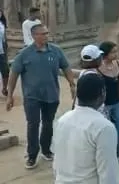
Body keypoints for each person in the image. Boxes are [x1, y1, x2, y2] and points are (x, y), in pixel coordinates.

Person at [5, 24, 75, 169]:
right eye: (42, 33)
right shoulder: (24, 54)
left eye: (46, 33)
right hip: (32, 97)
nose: (46, 36)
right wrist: (9, 95)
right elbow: (14, 75)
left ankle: (46, 149)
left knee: (48, 123)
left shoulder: (56, 51)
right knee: (33, 124)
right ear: (34, 36)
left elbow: (66, 67)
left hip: (52, 95)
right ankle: (32, 155)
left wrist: (72, 84)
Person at [52, 73, 119, 184]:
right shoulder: (104, 127)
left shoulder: (62, 121)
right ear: (103, 94)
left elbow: (57, 163)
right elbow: (108, 173)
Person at [98, 41, 119, 161]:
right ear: (105, 54)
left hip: (118, 103)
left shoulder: (118, 64)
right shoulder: (97, 67)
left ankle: (115, 156)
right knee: (107, 135)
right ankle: (107, 160)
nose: (116, 54)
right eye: (113, 52)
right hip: (103, 106)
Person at [74, 45, 108, 118]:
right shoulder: (94, 78)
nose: (102, 58)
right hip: (95, 114)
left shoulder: (83, 73)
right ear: (96, 60)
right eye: (100, 56)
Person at [0, 9, 7, 97]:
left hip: (2, 51)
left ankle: (4, 88)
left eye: (0, 13)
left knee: (5, 71)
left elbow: (4, 38)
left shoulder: (2, 24)